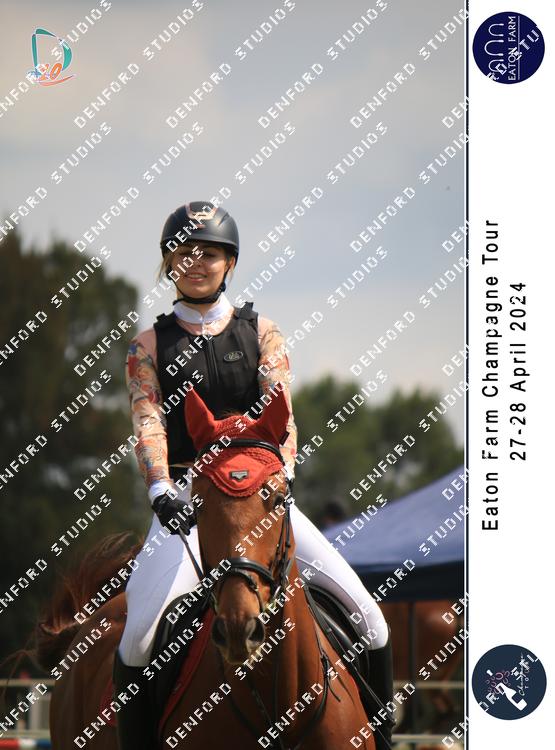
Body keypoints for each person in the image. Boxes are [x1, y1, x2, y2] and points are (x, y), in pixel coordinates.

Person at [113, 201, 394, 750]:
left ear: (231, 263)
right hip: (187, 501)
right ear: (168, 262)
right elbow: (148, 420)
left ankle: (383, 740)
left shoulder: (264, 333)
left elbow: (282, 417)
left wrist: (278, 478)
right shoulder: (147, 346)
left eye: (210, 253)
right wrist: (160, 487)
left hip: (264, 499)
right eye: (184, 252)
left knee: (372, 621)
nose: (196, 262)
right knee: (137, 640)